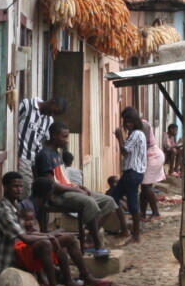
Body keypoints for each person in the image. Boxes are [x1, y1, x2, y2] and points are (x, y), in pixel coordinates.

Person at [31, 122, 112, 254]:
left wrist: (80, 187)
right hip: (57, 195)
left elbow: (64, 179)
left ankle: (89, 239)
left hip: (69, 190)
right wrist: (76, 190)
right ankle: (98, 245)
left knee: (109, 201)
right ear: (54, 136)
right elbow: (53, 185)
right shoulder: (45, 155)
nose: (66, 140)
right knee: (88, 202)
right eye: (64, 137)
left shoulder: (57, 154)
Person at [0, 171, 67, 286]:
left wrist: (51, 235)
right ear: (5, 187)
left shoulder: (17, 206)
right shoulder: (3, 210)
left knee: (66, 238)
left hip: (21, 250)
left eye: (21, 186)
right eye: (15, 186)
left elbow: (29, 233)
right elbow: (24, 237)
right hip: (10, 259)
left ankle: (70, 280)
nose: (19, 189)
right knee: (46, 243)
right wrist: (48, 236)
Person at [20, 203, 111, 286]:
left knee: (64, 241)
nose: (31, 222)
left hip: (34, 243)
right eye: (28, 220)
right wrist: (48, 236)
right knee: (63, 239)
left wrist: (49, 235)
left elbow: (37, 234)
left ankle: (71, 281)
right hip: (24, 249)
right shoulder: (16, 213)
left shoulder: (22, 208)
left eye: (32, 220)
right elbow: (26, 237)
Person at [107, 107, 147, 245]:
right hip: (131, 172)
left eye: (130, 121)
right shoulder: (135, 134)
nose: (128, 124)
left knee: (132, 204)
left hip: (133, 172)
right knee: (113, 199)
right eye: (126, 122)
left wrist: (119, 137)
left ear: (135, 121)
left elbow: (125, 150)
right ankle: (125, 229)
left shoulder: (136, 134)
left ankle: (136, 235)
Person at [16, 96, 68, 173]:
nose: (52, 114)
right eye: (53, 111)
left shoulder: (49, 120)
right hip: (23, 157)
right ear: (52, 102)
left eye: (55, 114)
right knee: (27, 184)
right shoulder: (27, 105)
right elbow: (13, 126)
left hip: (36, 160)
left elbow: (48, 141)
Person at [140, 118, 167, 221]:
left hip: (153, 156)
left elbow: (145, 143)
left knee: (146, 186)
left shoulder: (143, 124)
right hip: (150, 156)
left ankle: (155, 212)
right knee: (144, 187)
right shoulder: (141, 124)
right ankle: (142, 213)